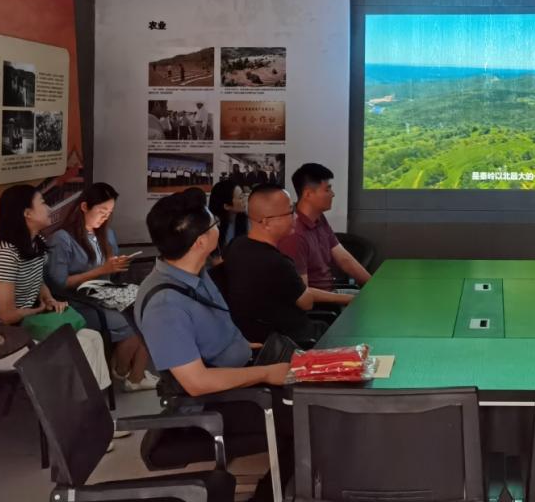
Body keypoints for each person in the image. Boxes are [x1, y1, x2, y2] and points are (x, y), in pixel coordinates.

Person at [136, 192, 291, 502]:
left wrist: (243, 347)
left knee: (316, 387)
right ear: (200, 242)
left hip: (239, 375)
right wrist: (265, 373)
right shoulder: (165, 305)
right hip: (212, 404)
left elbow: (211, 331)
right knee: (310, 413)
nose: (218, 227)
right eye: (214, 224)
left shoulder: (194, 274)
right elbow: (197, 383)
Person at [0, 185, 112, 393]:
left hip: (24, 325)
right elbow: (7, 316)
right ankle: (76, 406)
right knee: (80, 346)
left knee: (93, 337)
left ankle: (93, 403)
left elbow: (37, 280)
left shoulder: (36, 243)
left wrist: (48, 299)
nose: (49, 208)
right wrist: (39, 310)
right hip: (1, 336)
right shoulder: (5, 254)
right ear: (27, 213)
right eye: (43, 203)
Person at [45, 183, 157, 391]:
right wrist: (100, 270)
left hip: (104, 294)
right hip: (78, 303)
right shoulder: (62, 239)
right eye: (102, 211)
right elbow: (59, 283)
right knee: (132, 324)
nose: (105, 217)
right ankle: (123, 371)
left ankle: (135, 374)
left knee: (150, 313)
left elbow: (109, 274)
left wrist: (116, 265)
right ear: (84, 207)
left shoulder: (107, 234)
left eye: (110, 212)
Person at [223, 184, 330, 347]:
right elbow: (306, 302)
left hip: (260, 333)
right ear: (266, 222)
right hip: (291, 342)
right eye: (290, 212)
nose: (296, 217)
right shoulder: (276, 262)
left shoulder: (235, 245)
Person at [278, 163, 369, 299]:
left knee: (378, 297)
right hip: (320, 304)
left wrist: (373, 285)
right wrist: (349, 300)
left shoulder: (319, 218)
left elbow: (344, 259)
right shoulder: (294, 234)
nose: (332, 194)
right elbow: (302, 295)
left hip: (332, 293)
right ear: (308, 194)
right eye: (327, 189)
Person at [208, 179, 248, 252]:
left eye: (243, 195)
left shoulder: (248, 221)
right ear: (227, 206)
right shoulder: (212, 225)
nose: (244, 200)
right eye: (240, 197)